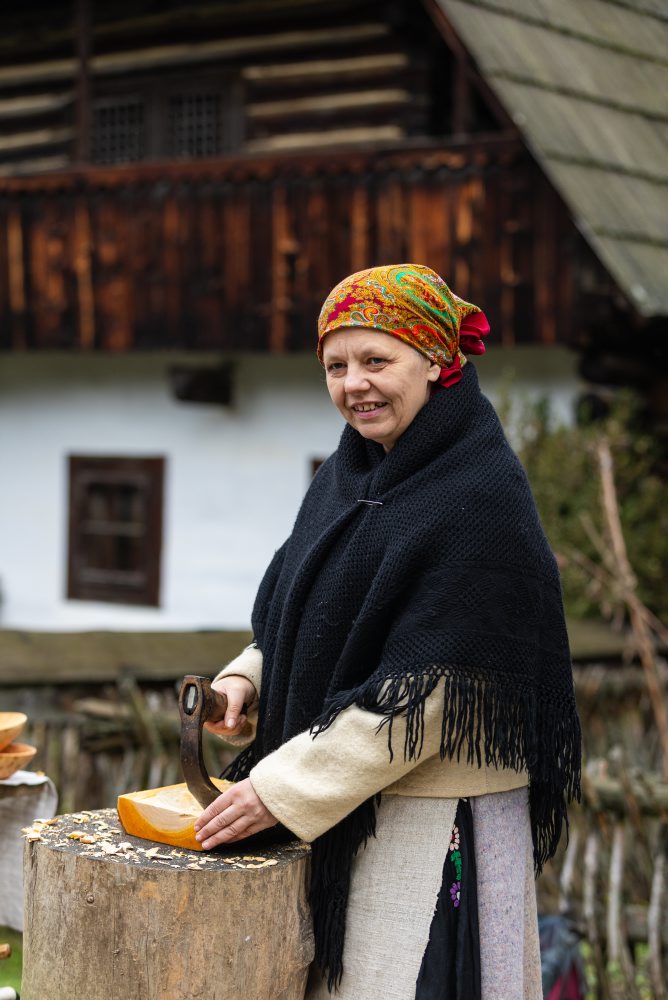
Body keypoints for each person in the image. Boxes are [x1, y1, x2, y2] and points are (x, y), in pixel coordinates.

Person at [194, 263, 581, 1000]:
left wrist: (282, 785)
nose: (353, 384)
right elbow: (308, 614)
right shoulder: (350, 477)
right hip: (354, 807)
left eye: (377, 359)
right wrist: (250, 673)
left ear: (437, 360)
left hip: (436, 829)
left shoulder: (480, 493)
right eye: (336, 366)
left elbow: (436, 688)